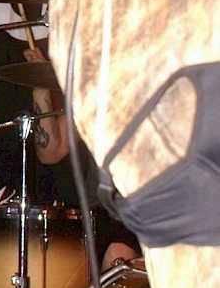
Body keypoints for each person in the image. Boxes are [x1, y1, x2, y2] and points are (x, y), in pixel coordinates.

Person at [23, 46, 140, 271]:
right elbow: (50, 152)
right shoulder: (100, 94)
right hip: (105, 214)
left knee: (120, 250)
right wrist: (40, 87)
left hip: (154, 206)